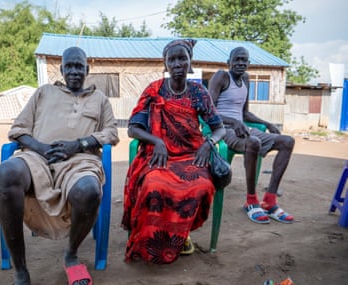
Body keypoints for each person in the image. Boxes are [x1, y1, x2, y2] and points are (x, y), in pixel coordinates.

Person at [0, 46, 119, 285]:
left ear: (87, 70)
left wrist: (79, 144)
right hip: (37, 157)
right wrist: (41, 147)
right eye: (69, 66)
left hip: (79, 162)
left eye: (80, 66)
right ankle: (22, 274)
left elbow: (111, 133)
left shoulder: (100, 99)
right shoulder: (43, 93)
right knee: (7, 174)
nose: (75, 71)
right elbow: (18, 130)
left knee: (89, 190)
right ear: (61, 70)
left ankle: (72, 254)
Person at [121, 39, 225, 264]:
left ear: (190, 63)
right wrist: (156, 141)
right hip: (161, 157)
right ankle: (153, 245)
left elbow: (219, 129)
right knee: (153, 186)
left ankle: (182, 234)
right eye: (172, 59)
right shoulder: (154, 89)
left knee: (202, 186)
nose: (177, 63)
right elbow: (133, 129)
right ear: (165, 64)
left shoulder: (199, 92)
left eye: (182, 58)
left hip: (192, 156)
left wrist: (209, 144)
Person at [208, 46, 295, 224]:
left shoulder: (246, 79)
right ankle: (251, 200)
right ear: (229, 62)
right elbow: (209, 111)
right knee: (253, 141)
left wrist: (267, 123)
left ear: (248, 63)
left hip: (242, 129)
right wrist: (233, 122)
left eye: (244, 60)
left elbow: (245, 114)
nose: (240, 63)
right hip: (223, 129)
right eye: (237, 59)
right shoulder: (221, 76)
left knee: (287, 141)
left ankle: (270, 200)